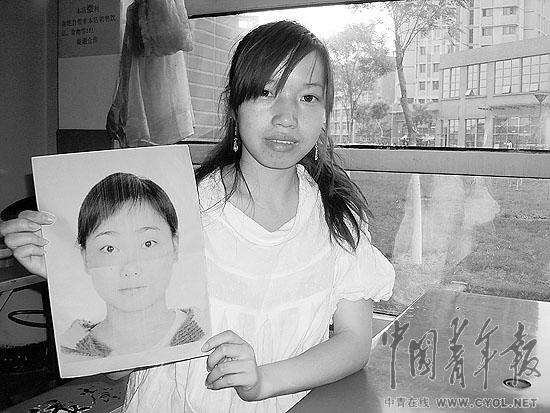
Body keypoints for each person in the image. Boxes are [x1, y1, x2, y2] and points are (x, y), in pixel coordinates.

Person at [1, 20, 395, 412]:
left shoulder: (338, 218)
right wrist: (73, 282)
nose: (286, 116)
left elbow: (354, 342)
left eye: (308, 97)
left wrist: (263, 380)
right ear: (234, 106)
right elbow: (118, 369)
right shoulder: (180, 206)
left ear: (325, 113)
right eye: (265, 92)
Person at [59, 172, 205, 360]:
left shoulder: (206, 328)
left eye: (148, 243)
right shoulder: (71, 348)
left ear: (174, 246)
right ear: (85, 257)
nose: (130, 268)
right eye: (110, 248)